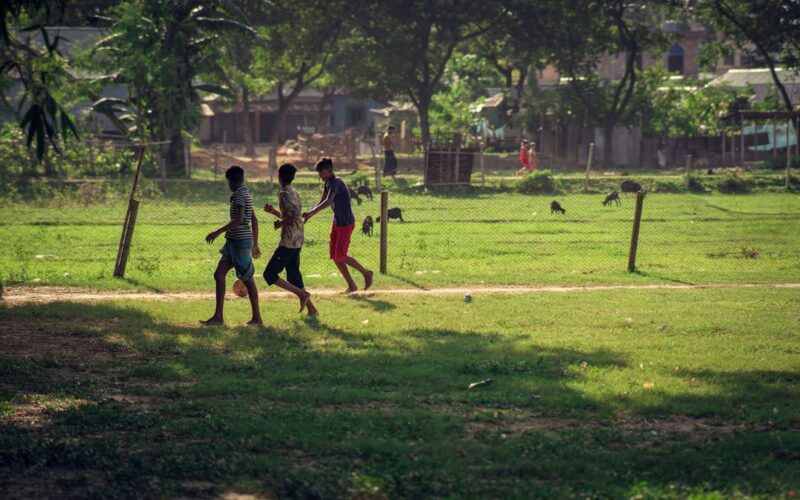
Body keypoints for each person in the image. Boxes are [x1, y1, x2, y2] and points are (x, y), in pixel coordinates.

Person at [202, 165, 262, 326]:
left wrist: (217, 232)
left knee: (247, 279)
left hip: (239, 242)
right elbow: (254, 219)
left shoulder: (239, 196)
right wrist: (255, 242)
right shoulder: (246, 193)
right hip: (234, 242)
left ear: (231, 181)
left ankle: (257, 318)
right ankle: (218, 317)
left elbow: (239, 220)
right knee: (219, 274)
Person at [303, 157, 373, 294]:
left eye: (321, 173)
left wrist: (311, 212)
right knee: (335, 255)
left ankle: (366, 273)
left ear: (329, 170)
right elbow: (322, 200)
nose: (320, 176)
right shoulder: (328, 183)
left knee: (340, 255)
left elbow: (329, 201)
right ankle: (352, 285)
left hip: (346, 224)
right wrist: (310, 215)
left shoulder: (336, 182)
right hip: (337, 223)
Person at [262, 163, 318, 316]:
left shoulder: (283, 194)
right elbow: (294, 216)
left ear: (279, 176)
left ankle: (302, 295)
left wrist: (280, 223)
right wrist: (274, 212)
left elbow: (292, 215)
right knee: (294, 276)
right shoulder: (295, 193)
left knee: (269, 274)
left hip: (288, 242)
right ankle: (312, 309)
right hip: (298, 240)